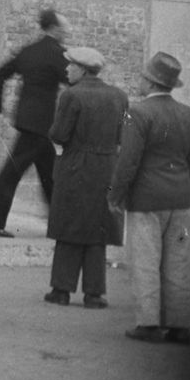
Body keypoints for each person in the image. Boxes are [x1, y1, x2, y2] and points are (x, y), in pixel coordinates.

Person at [109, 52, 190, 344]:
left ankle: (148, 323)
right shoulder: (189, 114)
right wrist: (187, 187)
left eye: (143, 77)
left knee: (145, 260)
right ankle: (180, 324)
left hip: (147, 198)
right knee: (180, 262)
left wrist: (117, 194)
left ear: (150, 82)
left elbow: (128, 160)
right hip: (181, 197)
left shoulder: (138, 113)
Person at [43, 46, 126, 308]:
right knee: (97, 228)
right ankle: (94, 293)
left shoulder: (72, 96)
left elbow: (59, 134)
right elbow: (123, 135)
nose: (66, 69)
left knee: (69, 226)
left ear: (82, 69)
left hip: (76, 165)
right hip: (106, 166)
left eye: (70, 65)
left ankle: (62, 289)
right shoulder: (118, 96)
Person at [0, 7, 71, 236]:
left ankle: (61, 224)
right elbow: (73, 82)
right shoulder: (59, 54)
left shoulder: (29, 51)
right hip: (41, 125)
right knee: (15, 172)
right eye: (64, 28)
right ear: (54, 28)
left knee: (50, 175)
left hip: (29, 122)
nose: (67, 31)